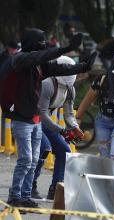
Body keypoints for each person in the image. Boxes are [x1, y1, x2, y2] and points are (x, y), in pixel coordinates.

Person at [0, 28, 95, 208]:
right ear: (32, 43)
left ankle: (25, 197)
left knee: (35, 159)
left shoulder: (39, 65)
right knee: (26, 159)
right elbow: (41, 56)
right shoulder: (20, 59)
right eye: (41, 41)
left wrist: (82, 66)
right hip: (21, 118)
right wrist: (66, 48)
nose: (44, 45)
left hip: (35, 119)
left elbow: (59, 68)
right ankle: (14, 196)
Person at [30, 56, 84, 200]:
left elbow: (68, 113)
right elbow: (41, 114)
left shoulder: (70, 88)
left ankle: (56, 189)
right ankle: (31, 183)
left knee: (64, 150)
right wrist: (62, 130)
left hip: (46, 123)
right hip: (33, 121)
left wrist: (74, 127)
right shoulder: (48, 84)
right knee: (44, 147)